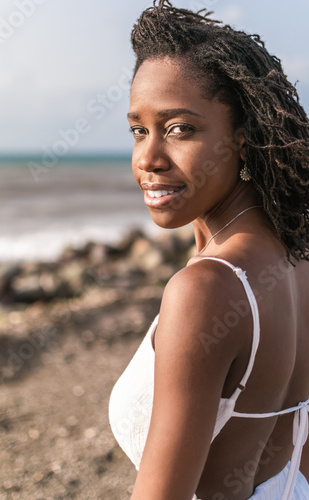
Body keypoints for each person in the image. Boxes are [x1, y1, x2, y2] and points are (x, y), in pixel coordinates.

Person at [108, 1, 309, 498]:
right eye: (139, 130)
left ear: (242, 139)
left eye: (180, 129)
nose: (149, 158)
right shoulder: (297, 258)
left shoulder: (206, 291)